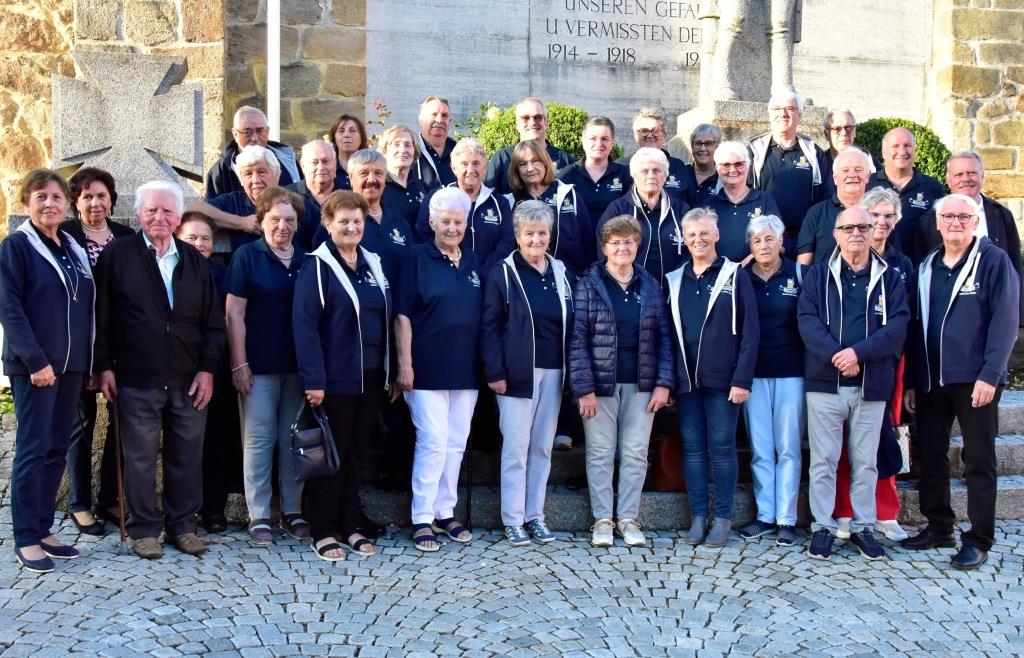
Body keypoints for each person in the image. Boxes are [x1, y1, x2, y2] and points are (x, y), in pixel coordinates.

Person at [93, 181, 226, 560]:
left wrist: (208, 370)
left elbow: (213, 324)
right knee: (139, 457)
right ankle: (145, 529)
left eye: (168, 211)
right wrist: (103, 365)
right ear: (138, 214)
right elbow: (101, 317)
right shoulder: (118, 256)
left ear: (179, 217)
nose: (159, 217)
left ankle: (183, 526)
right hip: (137, 376)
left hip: (188, 378)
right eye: (152, 210)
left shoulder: (195, 261)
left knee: (186, 455)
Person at [902, 194, 1020, 571]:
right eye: (948, 216)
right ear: (938, 223)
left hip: (975, 380)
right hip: (932, 379)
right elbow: (916, 327)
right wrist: (911, 382)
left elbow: (1004, 322)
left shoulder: (993, 262)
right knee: (932, 457)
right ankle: (939, 526)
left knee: (978, 459)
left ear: (975, 221)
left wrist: (991, 374)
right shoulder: (926, 267)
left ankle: (979, 538)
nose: (955, 222)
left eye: (962, 216)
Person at [798, 206, 909, 562]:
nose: (856, 233)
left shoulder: (889, 277)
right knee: (824, 460)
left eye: (863, 226)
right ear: (836, 234)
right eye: (848, 227)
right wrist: (838, 356)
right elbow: (807, 320)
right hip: (825, 383)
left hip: (871, 384)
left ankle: (863, 526)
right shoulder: (817, 275)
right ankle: (823, 527)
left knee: (865, 462)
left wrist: (857, 355)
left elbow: (897, 327)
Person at [0, 170, 95, 573]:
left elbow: (84, 308)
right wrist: (35, 360)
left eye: (57, 196)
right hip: (36, 367)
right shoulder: (17, 247)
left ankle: (43, 528)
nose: (50, 203)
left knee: (57, 447)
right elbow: (9, 307)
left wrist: (88, 362)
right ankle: (25, 536)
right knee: (33, 448)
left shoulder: (71, 247)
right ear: (27, 203)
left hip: (70, 368)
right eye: (41, 196)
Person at [293, 190, 395, 561]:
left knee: (355, 455)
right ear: (328, 224)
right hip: (334, 380)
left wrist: (392, 370)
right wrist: (313, 380)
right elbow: (305, 327)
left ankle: (350, 524)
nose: (352, 227)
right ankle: (323, 529)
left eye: (358, 221)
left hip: (369, 376)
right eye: (344, 221)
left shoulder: (373, 263)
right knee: (328, 458)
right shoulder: (317, 267)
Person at [570, 215, 674, 548]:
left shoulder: (650, 285)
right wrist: (583, 388)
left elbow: (664, 338)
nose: (622, 248)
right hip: (599, 387)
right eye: (615, 243)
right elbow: (578, 339)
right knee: (600, 453)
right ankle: (602, 519)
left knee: (635, 452)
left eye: (628, 241)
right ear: (604, 248)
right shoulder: (589, 283)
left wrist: (663, 383)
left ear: (637, 245)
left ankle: (628, 517)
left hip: (641, 385)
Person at [481, 201, 574, 546]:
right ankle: (513, 519)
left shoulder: (561, 272)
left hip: (554, 372)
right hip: (516, 374)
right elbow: (489, 327)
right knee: (516, 450)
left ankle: (536, 515)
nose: (537, 239)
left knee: (542, 449)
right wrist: (495, 371)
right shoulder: (503, 274)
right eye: (530, 233)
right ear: (518, 236)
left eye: (542, 233)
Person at [394, 187, 482, 552]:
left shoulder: (474, 262)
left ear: (466, 223)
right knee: (432, 441)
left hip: (467, 369)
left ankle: (446, 510)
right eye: (444, 221)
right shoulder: (416, 258)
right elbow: (402, 314)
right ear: (431, 222)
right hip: (426, 368)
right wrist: (404, 363)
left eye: (457, 221)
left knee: (456, 442)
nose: (451, 227)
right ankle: (421, 517)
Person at [666, 208, 759, 547]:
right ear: (684, 240)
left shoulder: (735, 275)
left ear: (717, 235)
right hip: (687, 381)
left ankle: (722, 519)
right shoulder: (675, 279)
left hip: (724, 381)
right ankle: (698, 516)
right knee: (692, 449)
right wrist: (669, 380)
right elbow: (668, 333)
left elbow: (750, 333)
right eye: (692, 235)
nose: (699, 239)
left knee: (721, 449)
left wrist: (742, 379)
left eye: (705, 233)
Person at [225, 187, 309, 546]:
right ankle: (259, 514)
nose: (282, 226)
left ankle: (293, 511)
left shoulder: (307, 259)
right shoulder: (248, 256)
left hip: (298, 367)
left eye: (290, 220)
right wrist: (238, 362)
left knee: (294, 440)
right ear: (261, 221)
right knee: (259, 439)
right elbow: (234, 312)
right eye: (275, 219)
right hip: (257, 365)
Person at [830, 186, 913, 543]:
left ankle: (885, 511)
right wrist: (846, 355)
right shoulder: (839, 259)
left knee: (881, 436)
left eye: (887, 216)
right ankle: (845, 511)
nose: (880, 223)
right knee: (846, 439)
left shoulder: (901, 264)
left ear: (896, 221)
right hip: (840, 363)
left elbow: (904, 319)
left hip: (886, 363)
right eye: (873, 216)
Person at [60, 167, 133, 536]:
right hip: (79, 343)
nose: (95, 202)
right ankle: (79, 502)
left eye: (102, 195)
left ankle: (109, 497)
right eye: (87, 196)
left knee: (122, 423)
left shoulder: (125, 237)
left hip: (119, 342)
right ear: (76, 202)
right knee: (82, 423)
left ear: (112, 200)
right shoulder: (65, 237)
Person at [737, 214, 803, 547]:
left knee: (788, 447)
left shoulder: (800, 274)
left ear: (781, 241)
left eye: (769, 238)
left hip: (792, 371)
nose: (763, 245)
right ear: (749, 245)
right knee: (761, 448)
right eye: (756, 240)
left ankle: (787, 519)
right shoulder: (740, 277)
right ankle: (765, 514)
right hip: (753, 374)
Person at [175, 211, 241, 533]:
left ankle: (214, 509)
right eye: (192, 237)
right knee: (182, 445)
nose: (199, 244)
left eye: (205, 238)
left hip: (217, 368)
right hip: (177, 371)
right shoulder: (167, 271)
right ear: (177, 237)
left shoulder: (222, 274)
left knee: (218, 440)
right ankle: (182, 511)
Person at [917, 151, 1024, 322]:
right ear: (948, 180)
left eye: (972, 173)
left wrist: (1019, 317)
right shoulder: (930, 220)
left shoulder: (1002, 215)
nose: (965, 179)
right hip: (947, 314)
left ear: (982, 176)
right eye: (958, 174)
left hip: (995, 310)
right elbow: (921, 270)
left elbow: (1015, 267)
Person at [415, 138, 515, 274]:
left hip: (489, 279)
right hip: (446, 278)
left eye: (476, 163)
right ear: (454, 168)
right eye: (464, 164)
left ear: (485, 167)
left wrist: (484, 274)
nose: (470, 170)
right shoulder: (437, 198)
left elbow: (506, 243)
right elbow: (423, 237)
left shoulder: (500, 203)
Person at [748, 90, 829, 254]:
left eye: (790, 109)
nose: (783, 114)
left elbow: (825, 197)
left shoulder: (813, 153)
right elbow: (745, 195)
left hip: (804, 242)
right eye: (777, 109)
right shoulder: (753, 152)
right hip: (765, 243)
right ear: (769, 114)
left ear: (800, 115)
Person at [313, 150, 413, 280]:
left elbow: (411, 270)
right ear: (350, 177)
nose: (371, 180)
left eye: (378, 173)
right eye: (364, 173)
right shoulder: (336, 221)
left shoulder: (399, 222)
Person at [599, 147, 690, 284]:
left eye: (657, 170)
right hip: (630, 290)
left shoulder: (681, 210)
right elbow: (605, 251)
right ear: (634, 175)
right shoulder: (618, 210)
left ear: (665, 175)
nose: (651, 176)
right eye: (645, 171)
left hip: (674, 289)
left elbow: (693, 252)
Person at [506, 140, 592, 273]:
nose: (530, 168)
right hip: (525, 281)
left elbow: (588, 239)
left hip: (569, 278)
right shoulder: (509, 202)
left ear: (545, 162)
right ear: (516, 170)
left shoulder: (568, 194)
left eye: (535, 161)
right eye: (523, 164)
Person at [866, 127, 945, 263]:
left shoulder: (933, 187)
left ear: (915, 150)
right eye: (895, 146)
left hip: (921, 270)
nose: (902, 151)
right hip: (874, 268)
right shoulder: (867, 184)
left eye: (907, 146)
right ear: (884, 152)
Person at [190, 144, 280, 252]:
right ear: (241, 180)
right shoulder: (233, 202)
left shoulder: (292, 202)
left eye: (261, 172)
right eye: (248, 174)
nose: (255, 180)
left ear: (276, 175)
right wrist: (241, 222)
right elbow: (190, 213)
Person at [707, 141, 781, 263]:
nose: (732, 170)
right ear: (717, 168)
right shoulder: (708, 206)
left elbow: (777, 240)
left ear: (748, 166)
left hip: (755, 274)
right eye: (726, 165)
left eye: (739, 164)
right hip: (718, 275)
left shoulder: (765, 200)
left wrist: (747, 262)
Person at [205, 105, 300, 199]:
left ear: (267, 131)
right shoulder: (221, 171)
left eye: (260, 131)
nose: (254, 139)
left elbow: (303, 199)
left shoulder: (287, 160)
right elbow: (211, 211)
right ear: (235, 134)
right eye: (247, 132)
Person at [797, 148, 872, 265]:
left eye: (858, 170)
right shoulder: (816, 213)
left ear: (867, 176)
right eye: (845, 170)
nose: (852, 175)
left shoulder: (877, 213)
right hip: (824, 282)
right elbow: (803, 266)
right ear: (835, 178)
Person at [486, 97, 574, 195]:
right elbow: (488, 200)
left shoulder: (564, 159)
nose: (532, 123)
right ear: (517, 124)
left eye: (538, 117)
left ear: (546, 122)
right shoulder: (502, 159)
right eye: (525, 118)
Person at [557, 116, 632, 222]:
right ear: (583, 141)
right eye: (593, 138)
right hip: (578, 238)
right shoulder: (568, 175)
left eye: (604, 139)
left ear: (612, 143)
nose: (599, 143)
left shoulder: (624, 174)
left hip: (614, 238)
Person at [617, 108, 696, 205]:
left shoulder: (678, 167)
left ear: (665, 136)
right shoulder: (621, 166)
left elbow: (692, 203)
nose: (650, 135)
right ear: (635, 135)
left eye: (655, 130)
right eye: (644, 131)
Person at [287, 139, 339, 250]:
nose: (320, 167)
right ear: (303, 166)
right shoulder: (286, 196)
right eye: (314, 162)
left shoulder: (348, 197)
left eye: (326, 161)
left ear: (335, 163)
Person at [380, 123, 429, 231]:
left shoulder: (422, 187)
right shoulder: (378, 187)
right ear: (385, 152)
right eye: (396, 144)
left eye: (407, 145)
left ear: (414, 152)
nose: (402, 150)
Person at [823, 109, 877, 181]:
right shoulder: (821, 163)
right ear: (827, 135)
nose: (844, 133)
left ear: (855, 132)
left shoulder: (867, 158)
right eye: (837, 129)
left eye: (848, 127)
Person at [417, 95, 457, 189]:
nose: (439, 120)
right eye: (434, 114)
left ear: (450, 121)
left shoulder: (459, 153)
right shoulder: (410, 152)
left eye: (444, 116)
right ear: (421, 120)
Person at [327, 113, 368, 190]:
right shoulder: (328, 167)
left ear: (361, 139)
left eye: (352, 131)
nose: (346, 135)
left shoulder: (370, 167)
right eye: (341, 131)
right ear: (334, 139)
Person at [684, 124, 722, 206]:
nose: (702, 149)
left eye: (708, 144)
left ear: (717, 147)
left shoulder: (723, 178)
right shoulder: (682, 172)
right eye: (698, 143)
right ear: (691, 146)